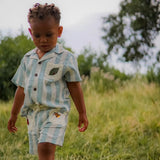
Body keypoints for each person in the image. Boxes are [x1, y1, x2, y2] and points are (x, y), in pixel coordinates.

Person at [7, 3, 88, 160]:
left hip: (55, 113)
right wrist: (14, 114)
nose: (43, 40)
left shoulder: (66, 58)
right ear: (31, 32)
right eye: (37, 35)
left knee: (45, 147)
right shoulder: (27, 59)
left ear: (59, 31)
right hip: (34, 114)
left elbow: (75, 86)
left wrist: (82, 112)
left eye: (49, 35)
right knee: (41, 151)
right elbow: (21, 89)